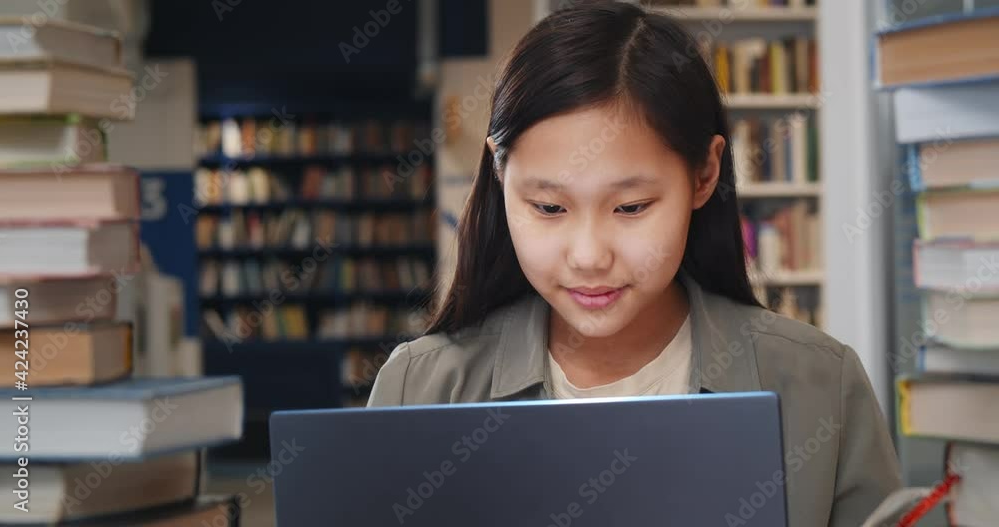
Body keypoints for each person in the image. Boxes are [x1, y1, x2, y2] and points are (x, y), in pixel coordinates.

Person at [368, 2, 901, 525]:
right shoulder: (419, 387)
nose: (589, 257)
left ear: (704, 174)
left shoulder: (820, 385)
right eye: (549, 208)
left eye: (631, 208)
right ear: (501, 174)